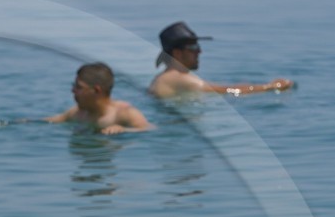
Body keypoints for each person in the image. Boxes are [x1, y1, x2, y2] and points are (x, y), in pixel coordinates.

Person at [147, 21, 294, 98]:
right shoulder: (177, 78)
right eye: (193, 48)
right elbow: (226, 91)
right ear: (177, 53)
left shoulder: (165, 77)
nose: (199, 51)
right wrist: (271, 87)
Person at [45, 62, 152, 134]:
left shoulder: (125, 114)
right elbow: (49, 121)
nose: (73, 90)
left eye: (79, 87)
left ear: (96, 90)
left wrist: (124, 130)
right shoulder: (78, 113)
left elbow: (149, 129)